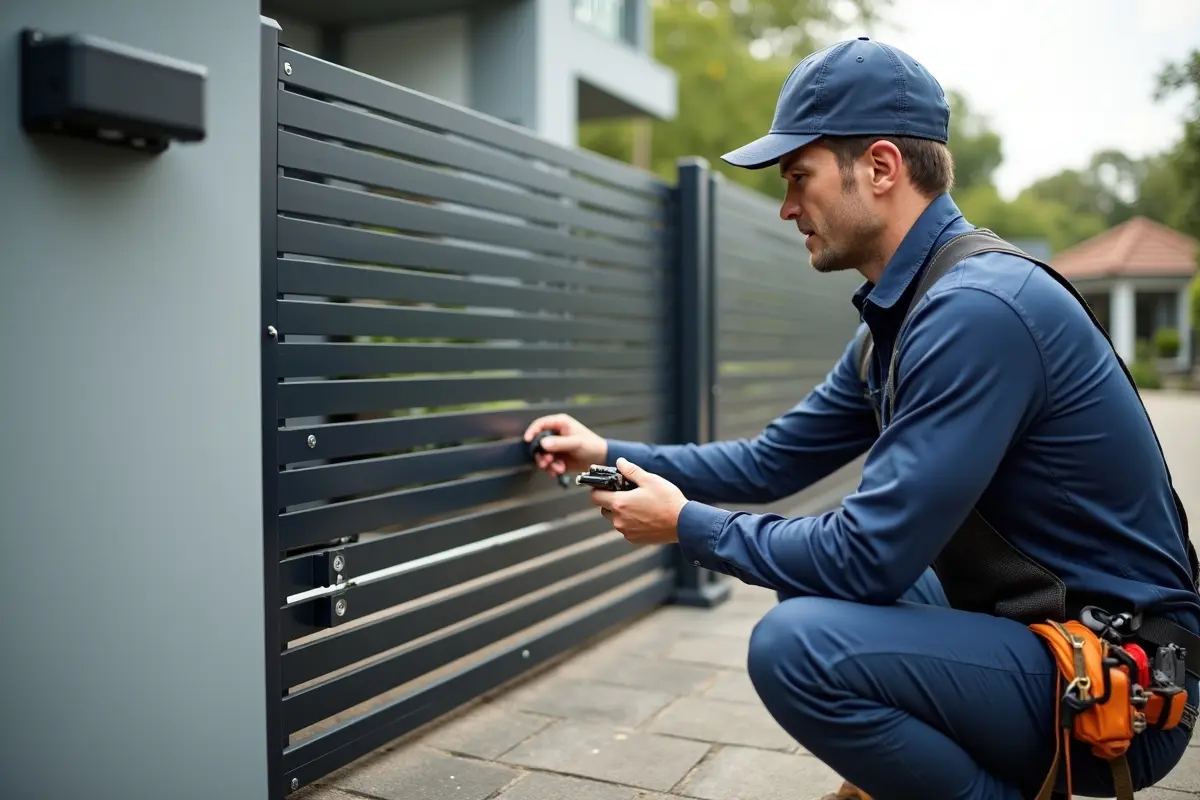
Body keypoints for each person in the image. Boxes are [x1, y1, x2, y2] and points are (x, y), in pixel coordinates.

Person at [524, 36, 1200, 800]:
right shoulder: (901, 319)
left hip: (1120, 684)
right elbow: (770, 463)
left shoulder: (976, 312)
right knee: (805, 587)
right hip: (1034, 631)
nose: (785, 207)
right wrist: (603, 450)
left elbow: (867, 557)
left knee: (798, 646)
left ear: (880, 168)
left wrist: (686, 525)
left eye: (798, 178)